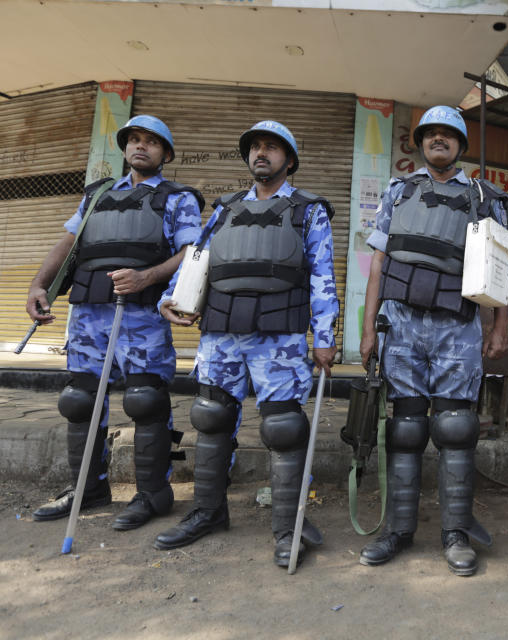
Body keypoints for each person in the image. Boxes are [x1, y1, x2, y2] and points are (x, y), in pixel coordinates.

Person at [153, 121, 338, 568]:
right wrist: (170, 298)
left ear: (288, 160)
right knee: (211, 417)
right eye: (255, 147)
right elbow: (198, 258)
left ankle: (288, 527)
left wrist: (326, 337)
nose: (261, 154)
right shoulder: (225, 209)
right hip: (222, 334)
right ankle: (208, 512)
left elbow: (322, 276)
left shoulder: (307, 210)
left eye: (272, 148)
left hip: (279, 336)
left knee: (283, 428)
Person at [26, 115, 203, 531]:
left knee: (146, 401)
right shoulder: (97, 194)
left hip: (141, 314)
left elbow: (192, 252)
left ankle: (152, 495)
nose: (141, 147)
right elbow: (68, 242)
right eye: (134, 140)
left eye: (152, 142)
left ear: (166, 154)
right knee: (79, 402)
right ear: (125, 148)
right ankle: (88, 491)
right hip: (89, 314)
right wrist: (39, 285)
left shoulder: (178, 198)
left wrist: (148, 277)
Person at [357, 106, 508, 577]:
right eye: (431, 134)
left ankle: (455, 534)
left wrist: (499, 327)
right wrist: (367, 329)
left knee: (456, 429)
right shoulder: (398, 190)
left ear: (461, 146)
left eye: (449, 135)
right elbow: (379, 264)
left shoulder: (485, 196)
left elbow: (501, 268)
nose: (439, 140)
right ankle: (399, 531)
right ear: (420, 143)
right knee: (404, 430)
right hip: (399, 323)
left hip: (456, 326)